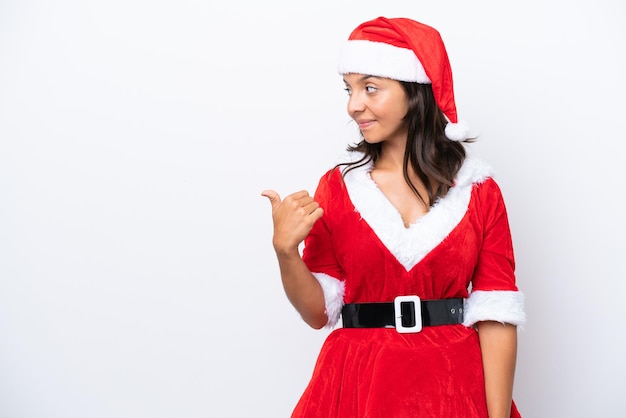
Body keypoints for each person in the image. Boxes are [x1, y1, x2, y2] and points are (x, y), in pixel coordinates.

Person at [262, 16, 525, 418]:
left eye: (370, 88)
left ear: (415, 91)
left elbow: (497, 315)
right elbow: (318, 313)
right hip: (356, 385)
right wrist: (285, 251)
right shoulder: (338, 187)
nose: (354, 105)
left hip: (453, 385)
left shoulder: (478, 191)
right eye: (349, 90)